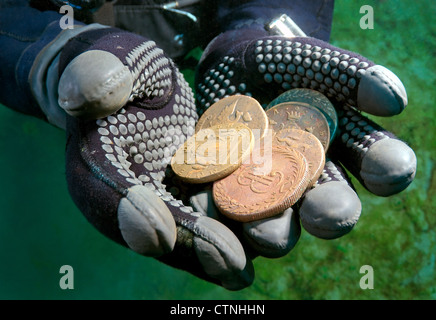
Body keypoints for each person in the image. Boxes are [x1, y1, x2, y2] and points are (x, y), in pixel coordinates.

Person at [0, 0, 417, 290]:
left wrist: (259, 29)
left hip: (186, 29)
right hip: (81, 33)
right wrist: (48, 53)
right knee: (93, 84)